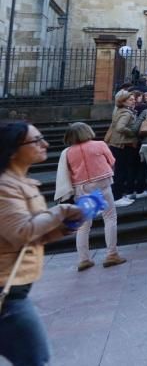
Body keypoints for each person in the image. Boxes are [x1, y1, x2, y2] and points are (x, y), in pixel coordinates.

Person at [0, 122, 84, 366]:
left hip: (15, 286)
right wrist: (61, 211)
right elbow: (22, 231)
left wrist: (61, 230)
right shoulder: (5, 187)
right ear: (13, 150)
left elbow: (31, 234)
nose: (45, 144)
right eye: (36, 140)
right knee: (37, 360)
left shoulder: (22, 182)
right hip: (7, 291)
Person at [63, 122, 126, 271]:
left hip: (81, 187)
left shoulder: (68, 152)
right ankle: (112, 254)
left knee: (84, 224)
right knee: (110, 218)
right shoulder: (100, 144)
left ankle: (83, 259)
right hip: (102, 184)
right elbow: (112, 161)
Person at [107, 91, 141, 206]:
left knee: (120, 171)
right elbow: (120, 127)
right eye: (131, 99)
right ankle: (117, 197)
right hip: (122, 145)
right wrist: (133, 132)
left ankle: (119, 194)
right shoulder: (126, 113)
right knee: (121, 171)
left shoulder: (121, 111)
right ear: (123, 101)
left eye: (133, 99)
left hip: (118, 144)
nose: (134, 101)